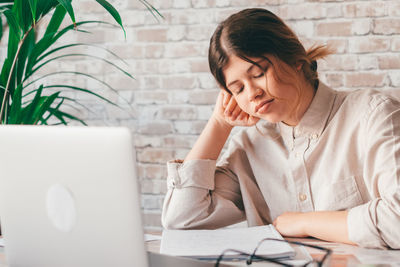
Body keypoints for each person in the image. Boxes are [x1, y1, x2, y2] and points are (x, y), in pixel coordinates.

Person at [161, 8, 400, 249]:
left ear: (294, 58)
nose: (253, 93)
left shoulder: (374, 115)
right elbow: (182, 219)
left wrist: (306, 223)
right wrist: (219, 124)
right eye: (238, 89)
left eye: (258, 73)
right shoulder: (250, 148)